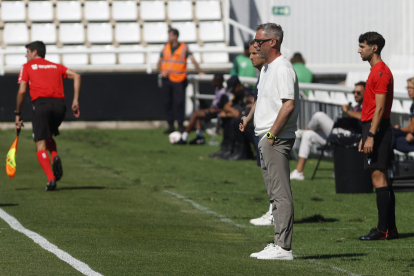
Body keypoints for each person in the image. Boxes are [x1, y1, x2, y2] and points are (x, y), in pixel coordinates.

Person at [248, 23, 299, 260]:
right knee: (274, 194)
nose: (256, 44)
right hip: (266, 137)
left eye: (260, 40)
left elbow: (288, 104)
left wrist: (271, 135)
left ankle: (284, 247)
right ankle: (279, 242)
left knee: (281, 194)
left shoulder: (282, 68)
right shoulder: (268, 69)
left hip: (275, 138)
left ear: (273, 42)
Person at [14, 41, 81, 191]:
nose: (26, 55)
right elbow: (77, 76)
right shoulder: (56, 66)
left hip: (41, 106)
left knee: (40, 143)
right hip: (59, 107)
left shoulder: (26, 67)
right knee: (48, 135)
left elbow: (22, 91)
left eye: (28, 52)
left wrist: (18, 113)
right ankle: (55, 155)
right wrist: (75, 100)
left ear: (35, 53)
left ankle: (51, 179)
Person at [357, 32, 398, 241]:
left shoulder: (381, 72)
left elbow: (380, 109)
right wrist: (365, 135)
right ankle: (390, 229)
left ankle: (383, 231)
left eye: (362, 46)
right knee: (381, 179)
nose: (358, 50)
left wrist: (371, 134)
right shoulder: (375, 71)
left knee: (379, 178)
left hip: (378, 128)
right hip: (373, 128)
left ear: (374, 48)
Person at [290, 81, 366, 180]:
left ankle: (305, 129)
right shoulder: (355, 107)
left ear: (366, 92)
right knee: (308, 135)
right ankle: (299, 172)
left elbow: (363, 117)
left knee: (319, 115)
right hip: (339, 136)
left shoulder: (367, 105)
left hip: (351, 138)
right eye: (354, 92)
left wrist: (347, 111)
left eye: (358, 92)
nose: (355, 95)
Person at [240, 41, 274, 225]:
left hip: (270, 130)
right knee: (265, 170)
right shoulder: (262, 74)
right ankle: (272, 210)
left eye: (254, 53)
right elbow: (258, 100)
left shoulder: (272, 72)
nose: (251, 56)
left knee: (273, 173)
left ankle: (275, 213)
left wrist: (272, 132)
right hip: (259, 127)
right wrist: (248, 118)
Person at [158, 28, 204, 134]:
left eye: (170, 35)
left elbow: (192, 59)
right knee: (167, 103)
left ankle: (180, 125)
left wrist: (199, 71)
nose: (168, 38)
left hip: (179, 79)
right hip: (166, 79)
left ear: (175, 36)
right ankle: (170, 126)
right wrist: (161, 71)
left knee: (179, 103)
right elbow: (159, 61)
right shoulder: (165, 47)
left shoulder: (184, 47)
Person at [175, 74, 229, 145]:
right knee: (196, 113)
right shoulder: (217, 89)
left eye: (214, 81)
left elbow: (226, 108)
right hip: (212, 111)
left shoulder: (223, 93)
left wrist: (214, 110)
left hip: (217, 113)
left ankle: (184, 137)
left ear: (218, 82)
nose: (212, 82)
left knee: (195, 114)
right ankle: (199, 137)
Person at [390, 77, 414, 158]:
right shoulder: (412, 105)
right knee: (391, 137)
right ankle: (389, 167)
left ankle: (386, 167)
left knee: (391, 134)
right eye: (408, 88)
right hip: (411, 136)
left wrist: (399, 128)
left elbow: (412, 128)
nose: (409, 90)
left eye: (411, 88)